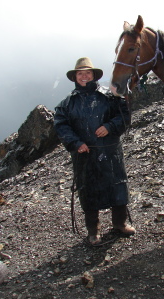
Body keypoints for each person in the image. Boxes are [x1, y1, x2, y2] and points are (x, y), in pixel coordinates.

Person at [54, 57, 135, 246]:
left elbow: (124, 114)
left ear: (93, 75)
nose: (84, 76)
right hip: (84, 155)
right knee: (88, 190)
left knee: (117, 184)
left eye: (87, 73)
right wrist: (75, 143)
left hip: (110, 151)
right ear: (75, 77)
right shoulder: (67, 104)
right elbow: (61, 125)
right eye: (80, 74)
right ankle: (93, 231)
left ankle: (120, 224)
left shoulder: (110, 96)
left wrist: (110, 126)